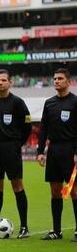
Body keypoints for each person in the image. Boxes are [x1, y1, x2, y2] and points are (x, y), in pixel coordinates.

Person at [0, 69, 32, 238]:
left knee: (17, 186)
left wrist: (17, 143)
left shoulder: (18, 103)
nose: (0, 83)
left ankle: (24, 227)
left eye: (4, 80)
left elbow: (27, 126)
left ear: (10, 82)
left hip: (11, 148)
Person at [37, 68, 77, 242]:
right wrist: (40, 151)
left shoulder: (75, 102)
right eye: (54, 78)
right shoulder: (49, 103)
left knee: (74, 191)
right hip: (53, 150)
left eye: (60, 78)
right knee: (55, 190)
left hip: (70, 150)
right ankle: (56, 230)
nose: (56, 81)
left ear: (68, 81)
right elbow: (44, 128)